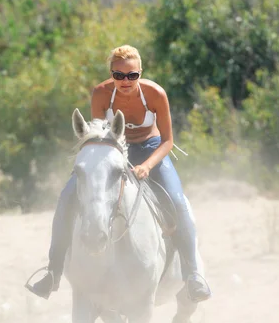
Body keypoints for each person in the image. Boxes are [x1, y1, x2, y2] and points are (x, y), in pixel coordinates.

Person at [26, 45, 211, 303]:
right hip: (114, 150)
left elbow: (168, 141)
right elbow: (99, 137)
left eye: (132, 75)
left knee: (178, 201)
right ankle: (53, 272)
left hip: (151, 150)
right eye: (119, 75)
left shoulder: (155, 94)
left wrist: (147, 165)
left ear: (140, 73)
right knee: (67, 197)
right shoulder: (101, 94)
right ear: (111, 74)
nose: (126, 81)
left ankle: (193, 275)